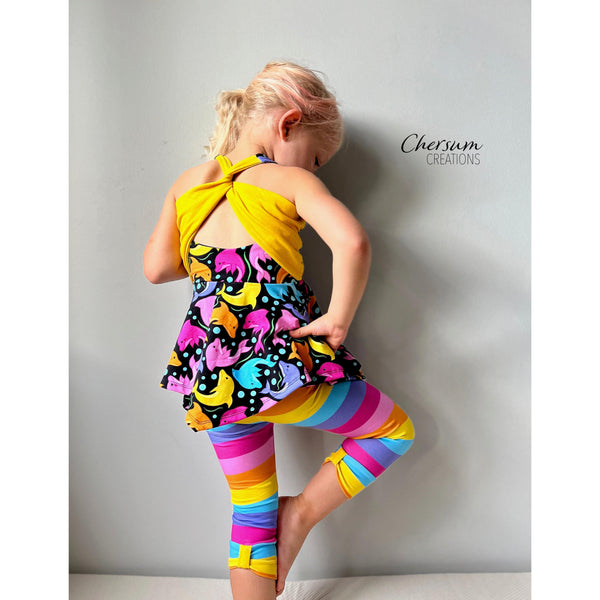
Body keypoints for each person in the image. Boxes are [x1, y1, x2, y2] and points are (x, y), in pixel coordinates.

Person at [143, 60, 415, 600]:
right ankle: (302, 514)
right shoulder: (289, 180)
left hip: (212, 377)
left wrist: (211, 252)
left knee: (250, 509)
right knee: (392, 431)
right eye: (316, 158)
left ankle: (275, 535)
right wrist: (337, 319)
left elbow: (158, 268)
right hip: (275, 366)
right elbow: (353, 242)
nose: (314, 169)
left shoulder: (189, 183)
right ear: (287, 124)